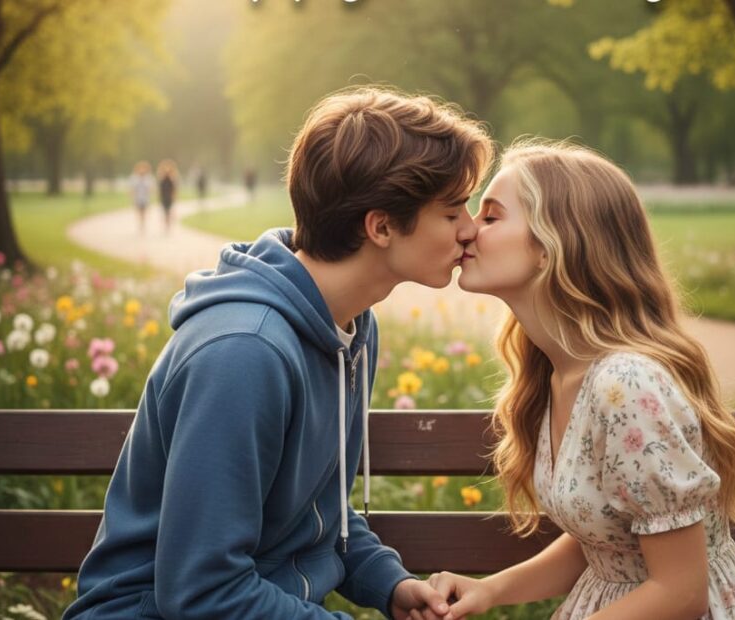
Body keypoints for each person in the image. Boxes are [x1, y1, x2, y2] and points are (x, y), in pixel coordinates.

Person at [62, 87, 494, 620]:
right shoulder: (244, 353)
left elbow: (317, 512)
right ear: (381, 226)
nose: (471, 228)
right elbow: (202, 592)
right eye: (453, 212)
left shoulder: (352, 328)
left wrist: (389, 584)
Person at [430, 141, 735, 620]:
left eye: (490, 217)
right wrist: (488, 591)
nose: (466, 229)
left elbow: (681, 594)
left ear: (555, 244)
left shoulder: (627, 385)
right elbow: (607, 538)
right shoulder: (558, 372)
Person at [128, 161, 155, 234]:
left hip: (146, 198)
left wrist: (151, 192)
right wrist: (131, 195)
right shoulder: (134, 177)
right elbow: (131, 188)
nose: (142, 170)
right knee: (139, 212)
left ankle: (143, 224)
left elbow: (152, 188)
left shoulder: (149, 178)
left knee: (144, 212)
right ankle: (141, 223)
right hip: (137, 198)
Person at [157, 159, 179, 233]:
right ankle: (166, 223)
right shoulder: (161, 178)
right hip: (163, 197)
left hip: (169, 197)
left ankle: (168, 224)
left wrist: (174, 197)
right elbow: (160, 188)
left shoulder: (172, 179)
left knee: (168, 211)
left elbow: (174, 189)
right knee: (165, 211)